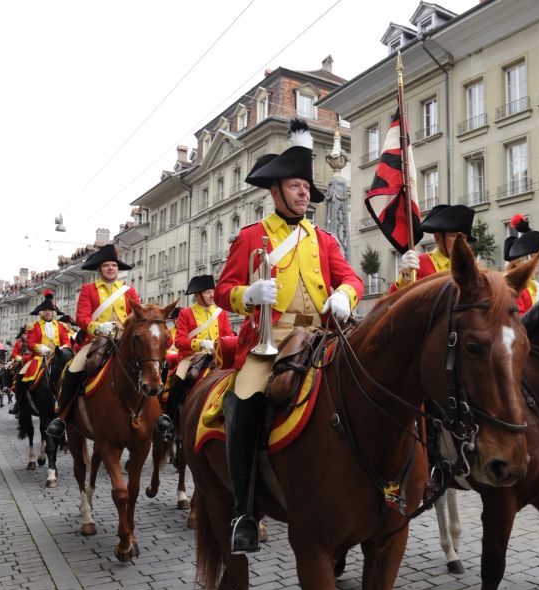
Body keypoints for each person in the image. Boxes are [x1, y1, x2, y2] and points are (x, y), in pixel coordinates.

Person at [215, 119, 362, 554]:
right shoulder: (252, 237)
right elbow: (224, 291)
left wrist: (345, 295)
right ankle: (244, 510)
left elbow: (350, 276)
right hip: (268, 340)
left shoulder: (323, 239)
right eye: (296, 185)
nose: (304, 193)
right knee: (245, 402)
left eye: (305, 186)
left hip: (319, 337)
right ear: (276, 190)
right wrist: (248, 293)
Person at [46, 244, 139, 439]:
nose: (111, 268)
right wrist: (98, 327)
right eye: (106, 265)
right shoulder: (89, 289)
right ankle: (62, 416)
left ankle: (158, 415)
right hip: (97, 340)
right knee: (74, 369)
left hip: (123, 340)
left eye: (114, 265)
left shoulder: (129, 291)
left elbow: (137, 315)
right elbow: (81, 317)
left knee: (148, 367)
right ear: (99, 269)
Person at [156, 275, 234, 442]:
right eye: (208, 292)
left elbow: (228, 335)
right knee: (182, 377)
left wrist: (222, 344)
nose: (212, 295)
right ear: (198, 295)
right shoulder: (186, 313)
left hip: (216, 355)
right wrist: (200, 344)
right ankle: (168, 420)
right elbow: (179, 341)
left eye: (213, 291)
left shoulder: (221, 313)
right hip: (193, 356)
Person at [390, 204, 476, 292]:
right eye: (454, 236)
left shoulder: (468, 267)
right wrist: (404, 279)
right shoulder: (419, 263)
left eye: (464, 238)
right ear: (438, 237)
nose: (460, 242)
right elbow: (392, 301)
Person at [20, 291, 72, 378]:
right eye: (45, 310)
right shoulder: (34, 326)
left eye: (50, 310)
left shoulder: (61, 326)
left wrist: (64, 348)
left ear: (53, 312)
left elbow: (67, 341)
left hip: (57, 357)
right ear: (41, 312)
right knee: (22, 375)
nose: (48, 312)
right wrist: (39, 347)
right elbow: (30, 343)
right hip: (40, 357)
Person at [503, 214, 539, 314]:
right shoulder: (515, 288)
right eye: (535, 257)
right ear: (524, 262)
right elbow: (520, 320)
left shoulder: (534, 286)